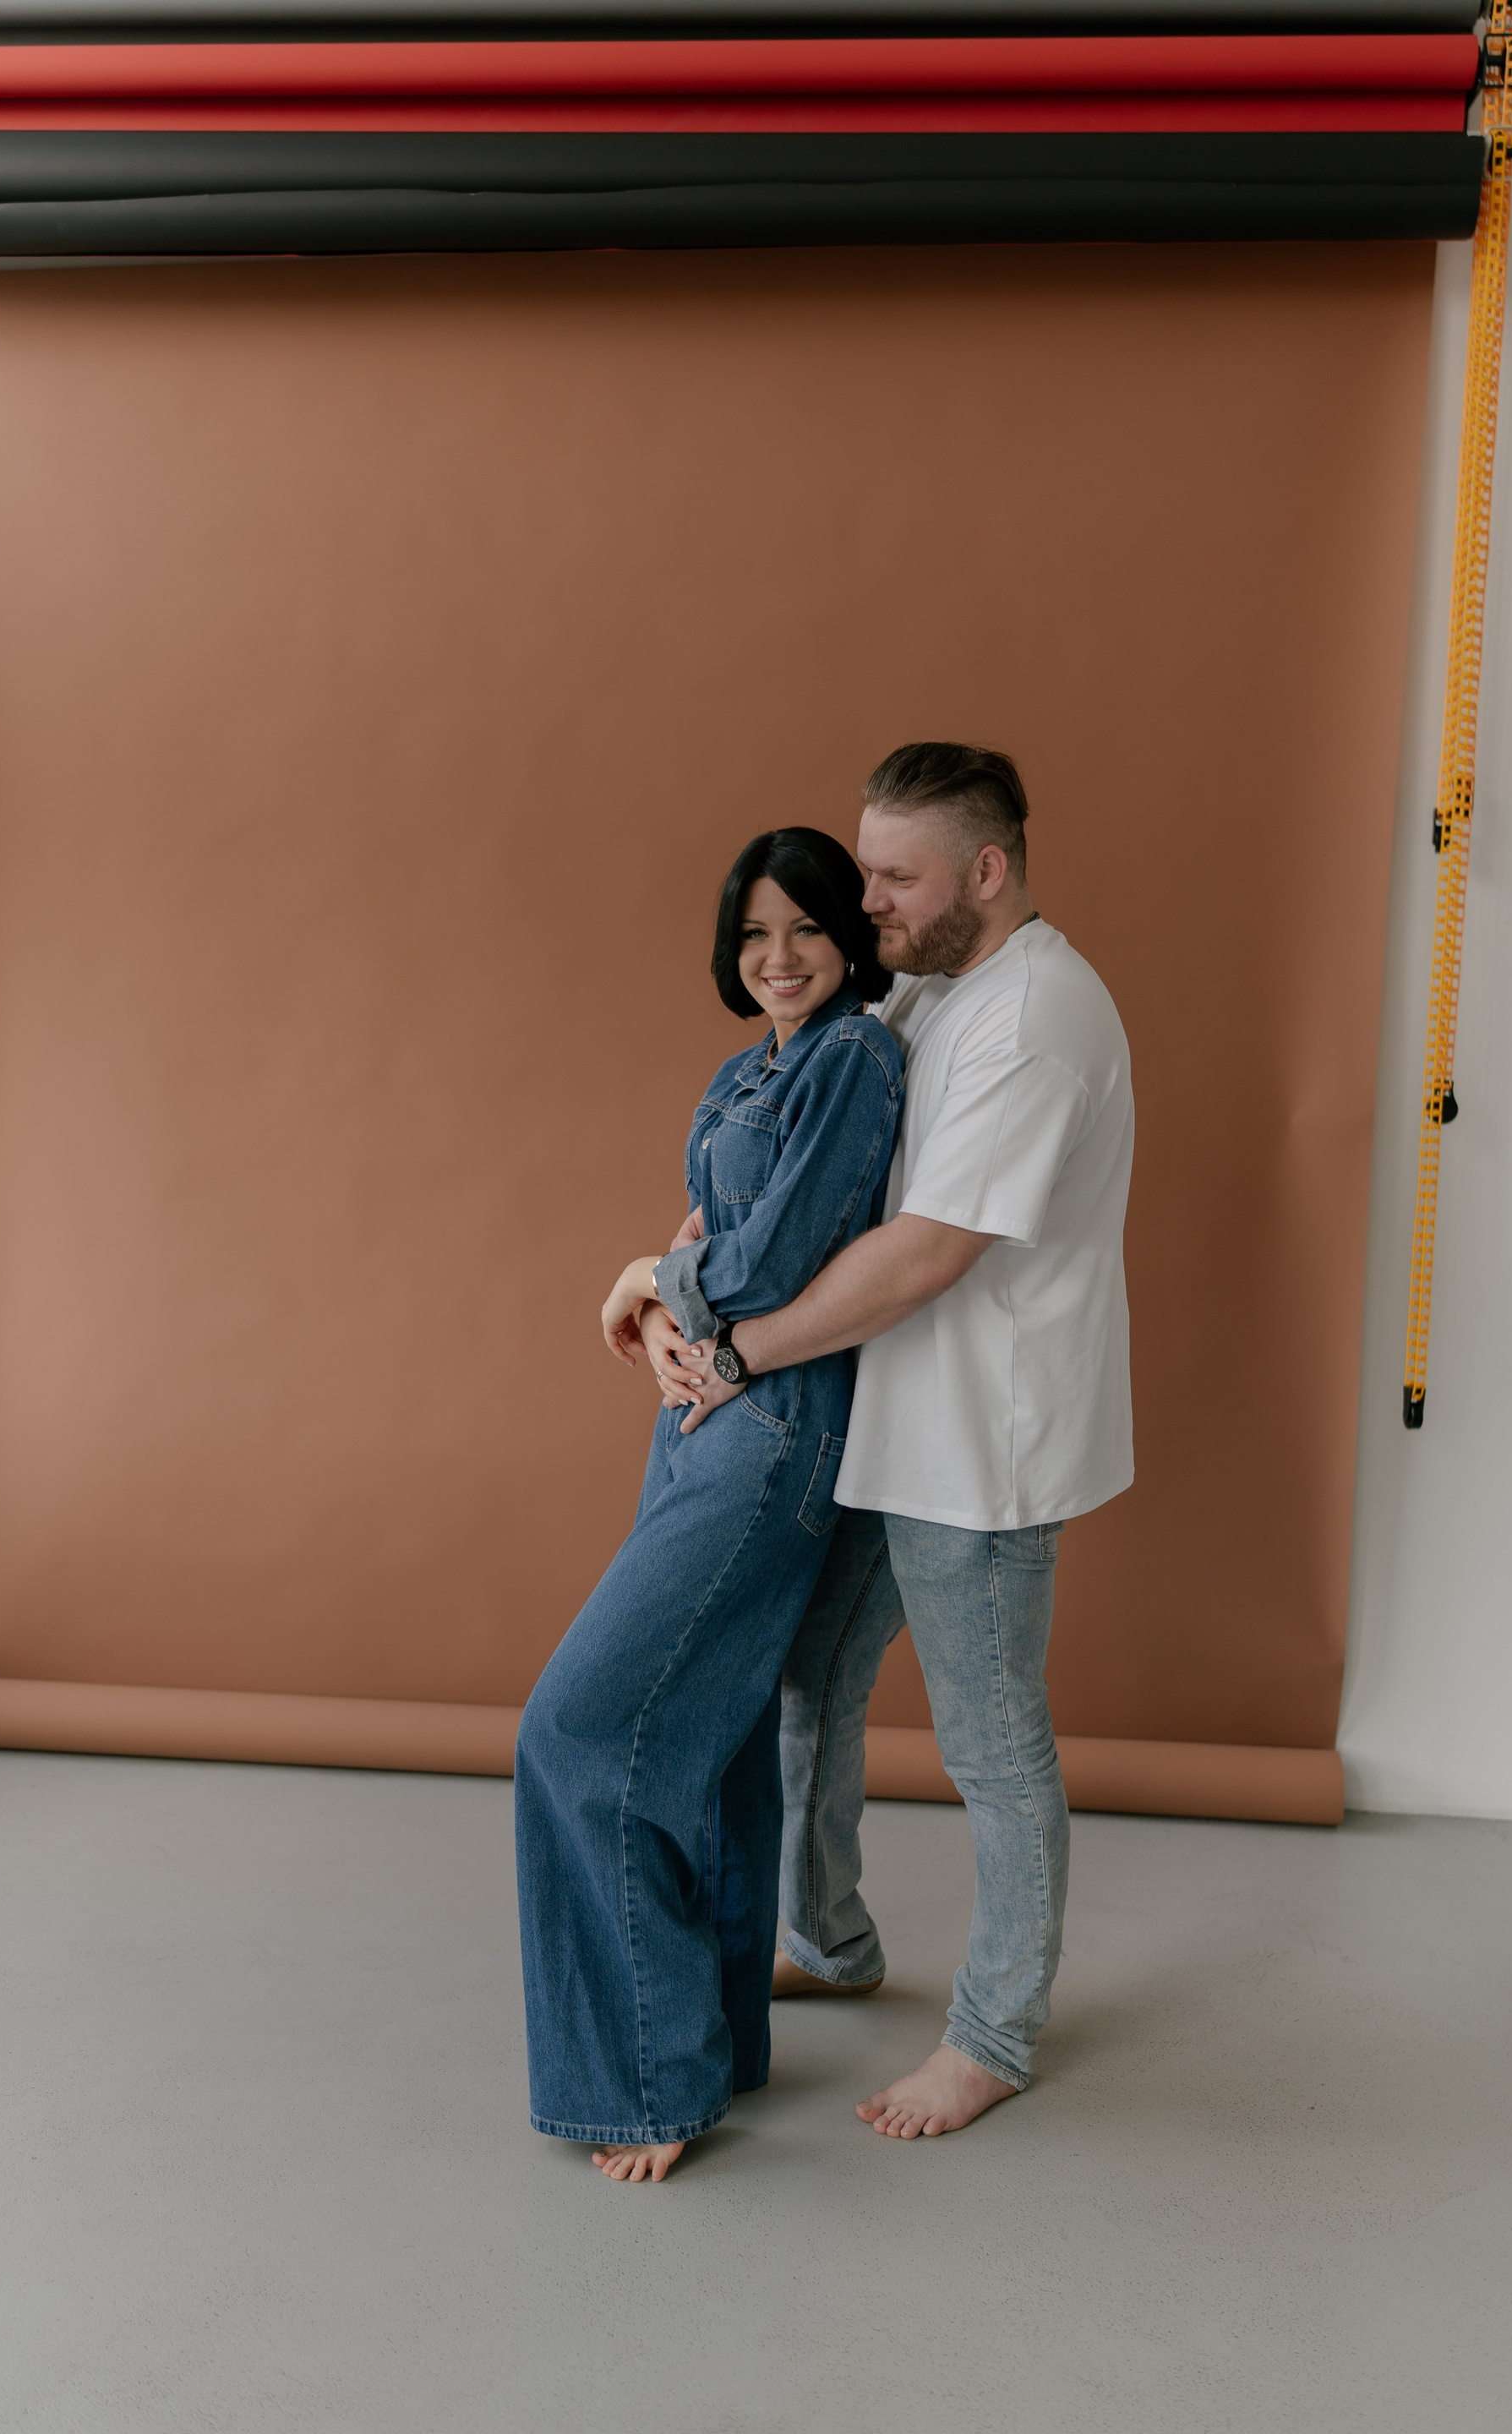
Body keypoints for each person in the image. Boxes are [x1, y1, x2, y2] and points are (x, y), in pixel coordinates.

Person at [654, 741, 1133, 2143]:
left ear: (986, 871)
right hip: (886, 1413)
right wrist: (674, 1266)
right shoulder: (925, 981)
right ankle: (834, 1938)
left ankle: (995, 2036)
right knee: (812, 1675)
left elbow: (925, 1253)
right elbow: (798, 1148)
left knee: (992, 1745)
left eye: (891, 878)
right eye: (863, 871)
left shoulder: (1036, 1017)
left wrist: (736, 1350)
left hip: (983, 1441)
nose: (864, 904)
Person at [515, 827, 903, 2186]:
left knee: (580, 1726)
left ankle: (646, 2077)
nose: (779, 958)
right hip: (697, 1425)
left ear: (848, 939)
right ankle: (717, 2042)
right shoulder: (747, 1073)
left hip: (775, 1435)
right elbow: (706, 1246)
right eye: (753, 936)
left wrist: (646, 1282)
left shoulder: (857, 1060)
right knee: (718, 1734)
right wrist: (666, 1305)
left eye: (806, 929)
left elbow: (773, 1257)